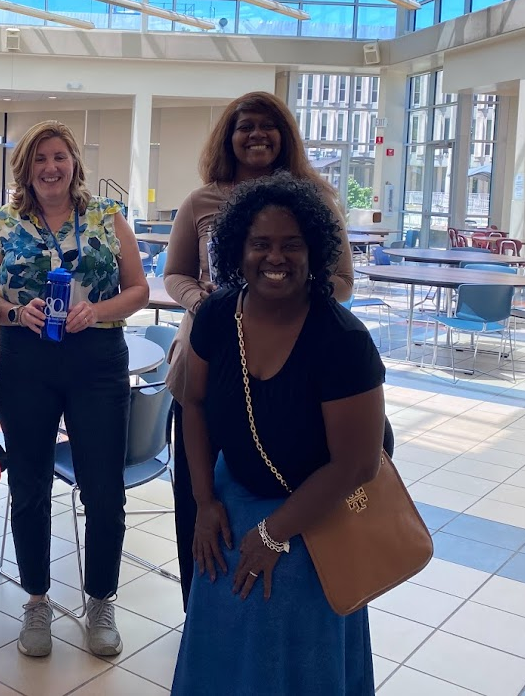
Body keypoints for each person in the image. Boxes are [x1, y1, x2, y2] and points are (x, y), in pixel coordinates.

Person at [171, 173, 385, 694]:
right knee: (220, 646)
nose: (276, 258)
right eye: (260, 243)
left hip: (318, 515)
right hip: (230, 498)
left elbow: (357, 465)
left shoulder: (342, 341)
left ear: (315, 253)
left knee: (295, 653)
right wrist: (204, 501)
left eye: (292, 245)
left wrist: (274, 534)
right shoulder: (220, 314)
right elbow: (193, 402)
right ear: (237, 250)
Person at [163, 91, 354, 609]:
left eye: (269, 126)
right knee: (202, 494)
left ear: (285, 136)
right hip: (209, 360)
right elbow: (175, 272)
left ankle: (291, 609)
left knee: (292, 486)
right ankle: (199, 609)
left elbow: (340, 280)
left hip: (292, 368)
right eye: (245, 126)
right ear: (229, 136)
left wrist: (292, 310)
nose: (256, 135)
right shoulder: (202, 201)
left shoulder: (316, 202)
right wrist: (202, 303)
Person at [0, 120, 149, 658]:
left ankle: (100, 599)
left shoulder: (106, 217)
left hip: (97, 358)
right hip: (24, 358)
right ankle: (36, 603)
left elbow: (139, 289)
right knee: (29, 485)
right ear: (25, 170)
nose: (50, 168)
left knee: (104, 488)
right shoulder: (4, 222)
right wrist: (15, 310)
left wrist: (96, 311)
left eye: (59, 157)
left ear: (74, 163)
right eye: (39, 159)